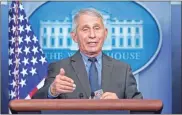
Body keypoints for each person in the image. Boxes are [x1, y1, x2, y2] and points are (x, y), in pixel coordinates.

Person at [32, 8, 142, 99]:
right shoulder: (59, 68)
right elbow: (36, 102)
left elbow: (140, 108)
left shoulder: (123, 70)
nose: (92, 35)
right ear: (74, 36)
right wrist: (52, 90)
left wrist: (120, 105)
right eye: (85, 29)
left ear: (105, 33)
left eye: (97, 28)